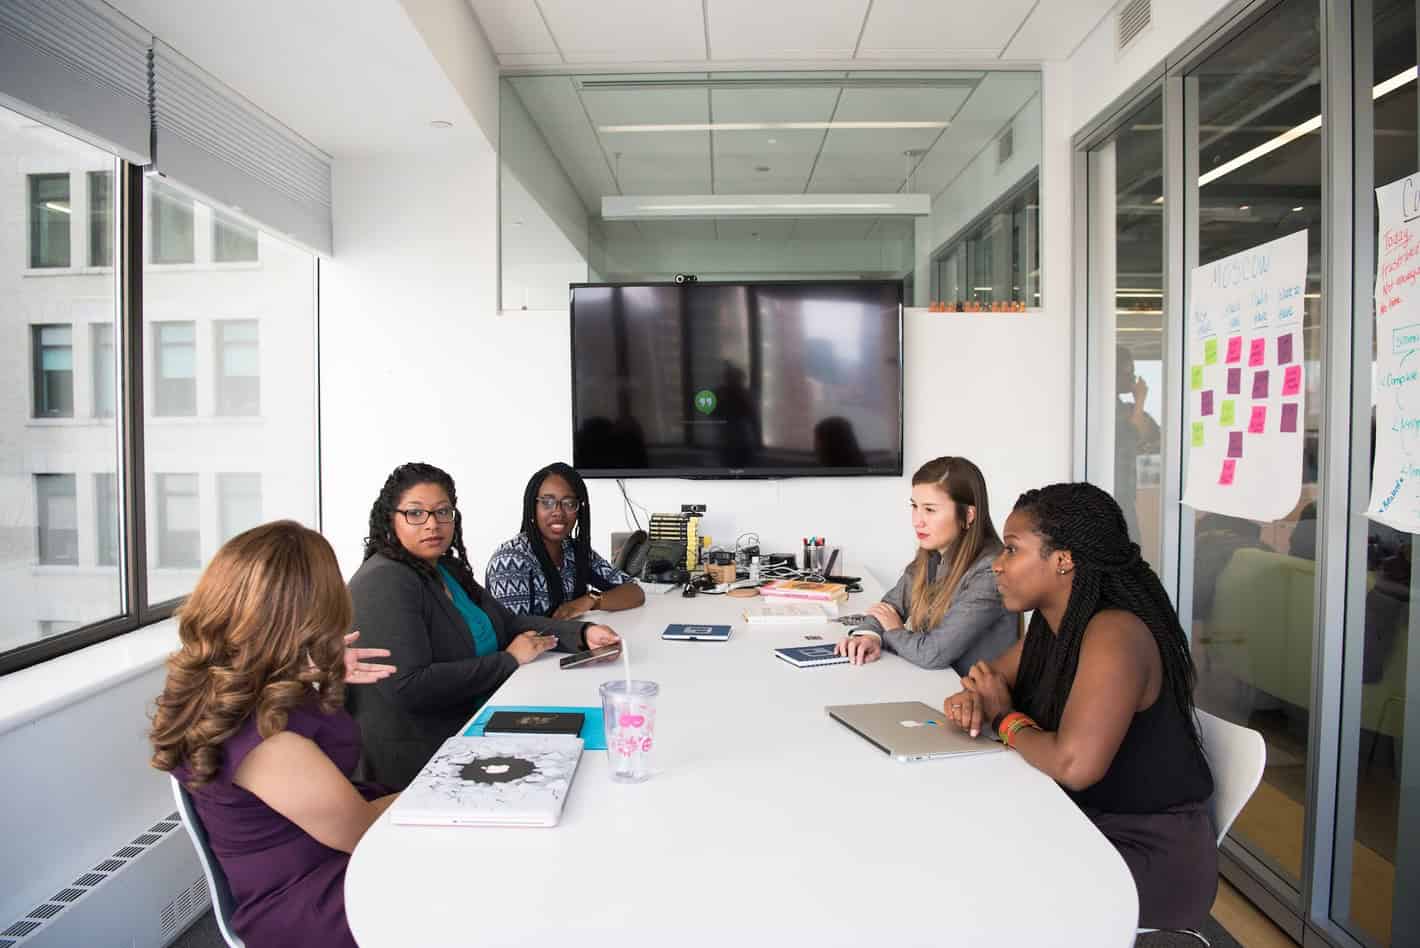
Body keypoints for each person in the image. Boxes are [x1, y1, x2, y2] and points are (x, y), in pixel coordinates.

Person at [943, 482, 1216, 932]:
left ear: (1063, 560)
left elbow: (1074, 765)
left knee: (971, 882)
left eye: (1012, 549)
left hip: (1143, 856)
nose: (998, 563)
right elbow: (988, 679)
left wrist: (1004, 718)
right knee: (957, 841)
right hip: (1080, 821)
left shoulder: (1115, 633)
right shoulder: (1055, 625)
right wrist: (972, 699)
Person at [149, 520, 399, 948]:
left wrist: (307, 669)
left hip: (316, 854)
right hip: (313, 899)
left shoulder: (223, 684)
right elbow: (362, 834)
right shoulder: (268, 745)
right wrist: (435, 791)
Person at [347, 462, 621, 789]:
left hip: (477, 720)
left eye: (442, 512)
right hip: (421, 757)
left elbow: (507, 623)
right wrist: (508, 660)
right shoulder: (384, 581)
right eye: (416, 513)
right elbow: (409, 686)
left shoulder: (444, 568)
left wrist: (582, 634)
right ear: (390, 519)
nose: (432, 524)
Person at [834, 456, 1018, 673]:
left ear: (968, 515)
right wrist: (869, 636)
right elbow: (890, 607)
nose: (917, 521)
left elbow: (932, 653)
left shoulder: (990, 572)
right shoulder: (933, 553)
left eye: (930, 510)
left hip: (970, 690)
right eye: (914, 506)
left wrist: (893, 631)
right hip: (938, 683)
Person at [485, 462, 645, 619]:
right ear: (532, 507)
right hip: (557, 637)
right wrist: (582, 631)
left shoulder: (574, 551)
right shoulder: (510, 560)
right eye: (547, 503)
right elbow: (516, 629)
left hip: (576, 636)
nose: (558, 512)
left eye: (569, 503)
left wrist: (590, 600)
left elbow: (634, 592)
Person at [1115, 346, 1161, 544]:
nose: (1133, 377)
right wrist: (1140, 400)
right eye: (1128, 371)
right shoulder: (1107, 408)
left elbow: (1153, 438)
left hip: (1125, 495)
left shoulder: (1126, 409)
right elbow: (1129, 437)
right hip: (1115, 493)